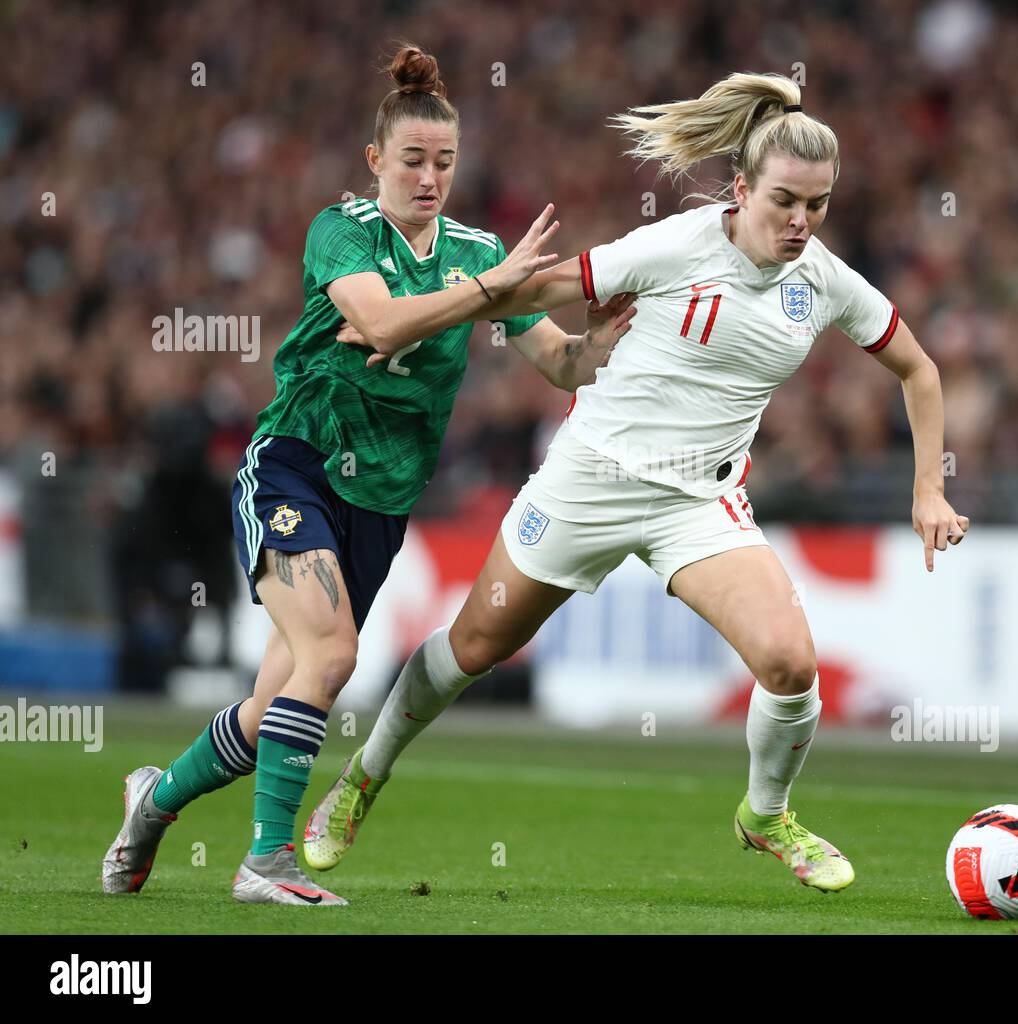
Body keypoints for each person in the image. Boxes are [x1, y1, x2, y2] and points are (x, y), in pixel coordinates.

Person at [308, 71, 969, 897]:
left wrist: (927, 493)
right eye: (785, 202)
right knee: (475, 647)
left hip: (700, 502)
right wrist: (420, 311)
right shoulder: (678, 245)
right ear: (740, 188)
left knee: (791, 664)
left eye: (819, 204)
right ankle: (364, 776)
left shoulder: (824, 281)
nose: (801, 223)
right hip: (591, 479)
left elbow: (920, 369)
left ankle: (766, 815)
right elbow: (551, 288)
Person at [101, 43, 635, 905]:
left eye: (445, 163)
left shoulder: (476, 249)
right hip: (295, 468)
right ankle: (265, 865)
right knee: (334, 653)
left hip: (381, 503)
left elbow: (560, 365)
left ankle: (151, 803)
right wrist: (487, 289)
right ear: (375, 160)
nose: (430, 178)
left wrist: (596, 345)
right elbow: (383, 324)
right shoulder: (340, 230)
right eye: (413, 160)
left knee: (270, 707)